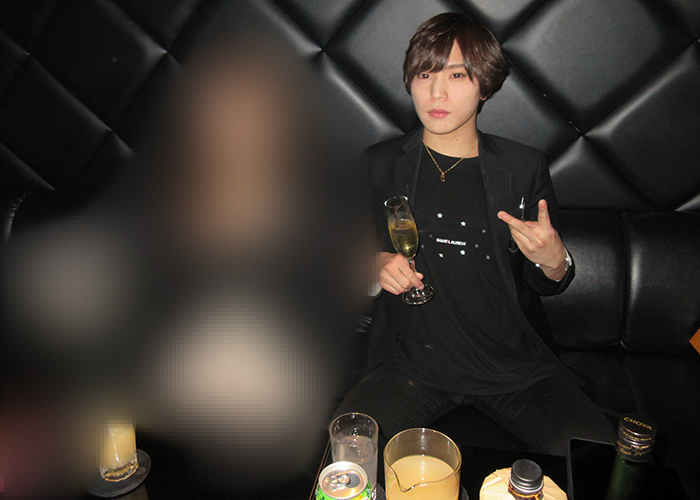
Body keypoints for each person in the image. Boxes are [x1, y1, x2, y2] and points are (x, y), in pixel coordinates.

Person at [336, 12, 615, 456]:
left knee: (599, 461)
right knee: (347, 461)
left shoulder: (523, 168)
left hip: (515, 368)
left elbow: (546, 280)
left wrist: (554, 260)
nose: (437, 92)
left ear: (484, 86)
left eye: (457, 75)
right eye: (425, 74)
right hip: (411, 365)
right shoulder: (380, 164)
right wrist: (375, 265)